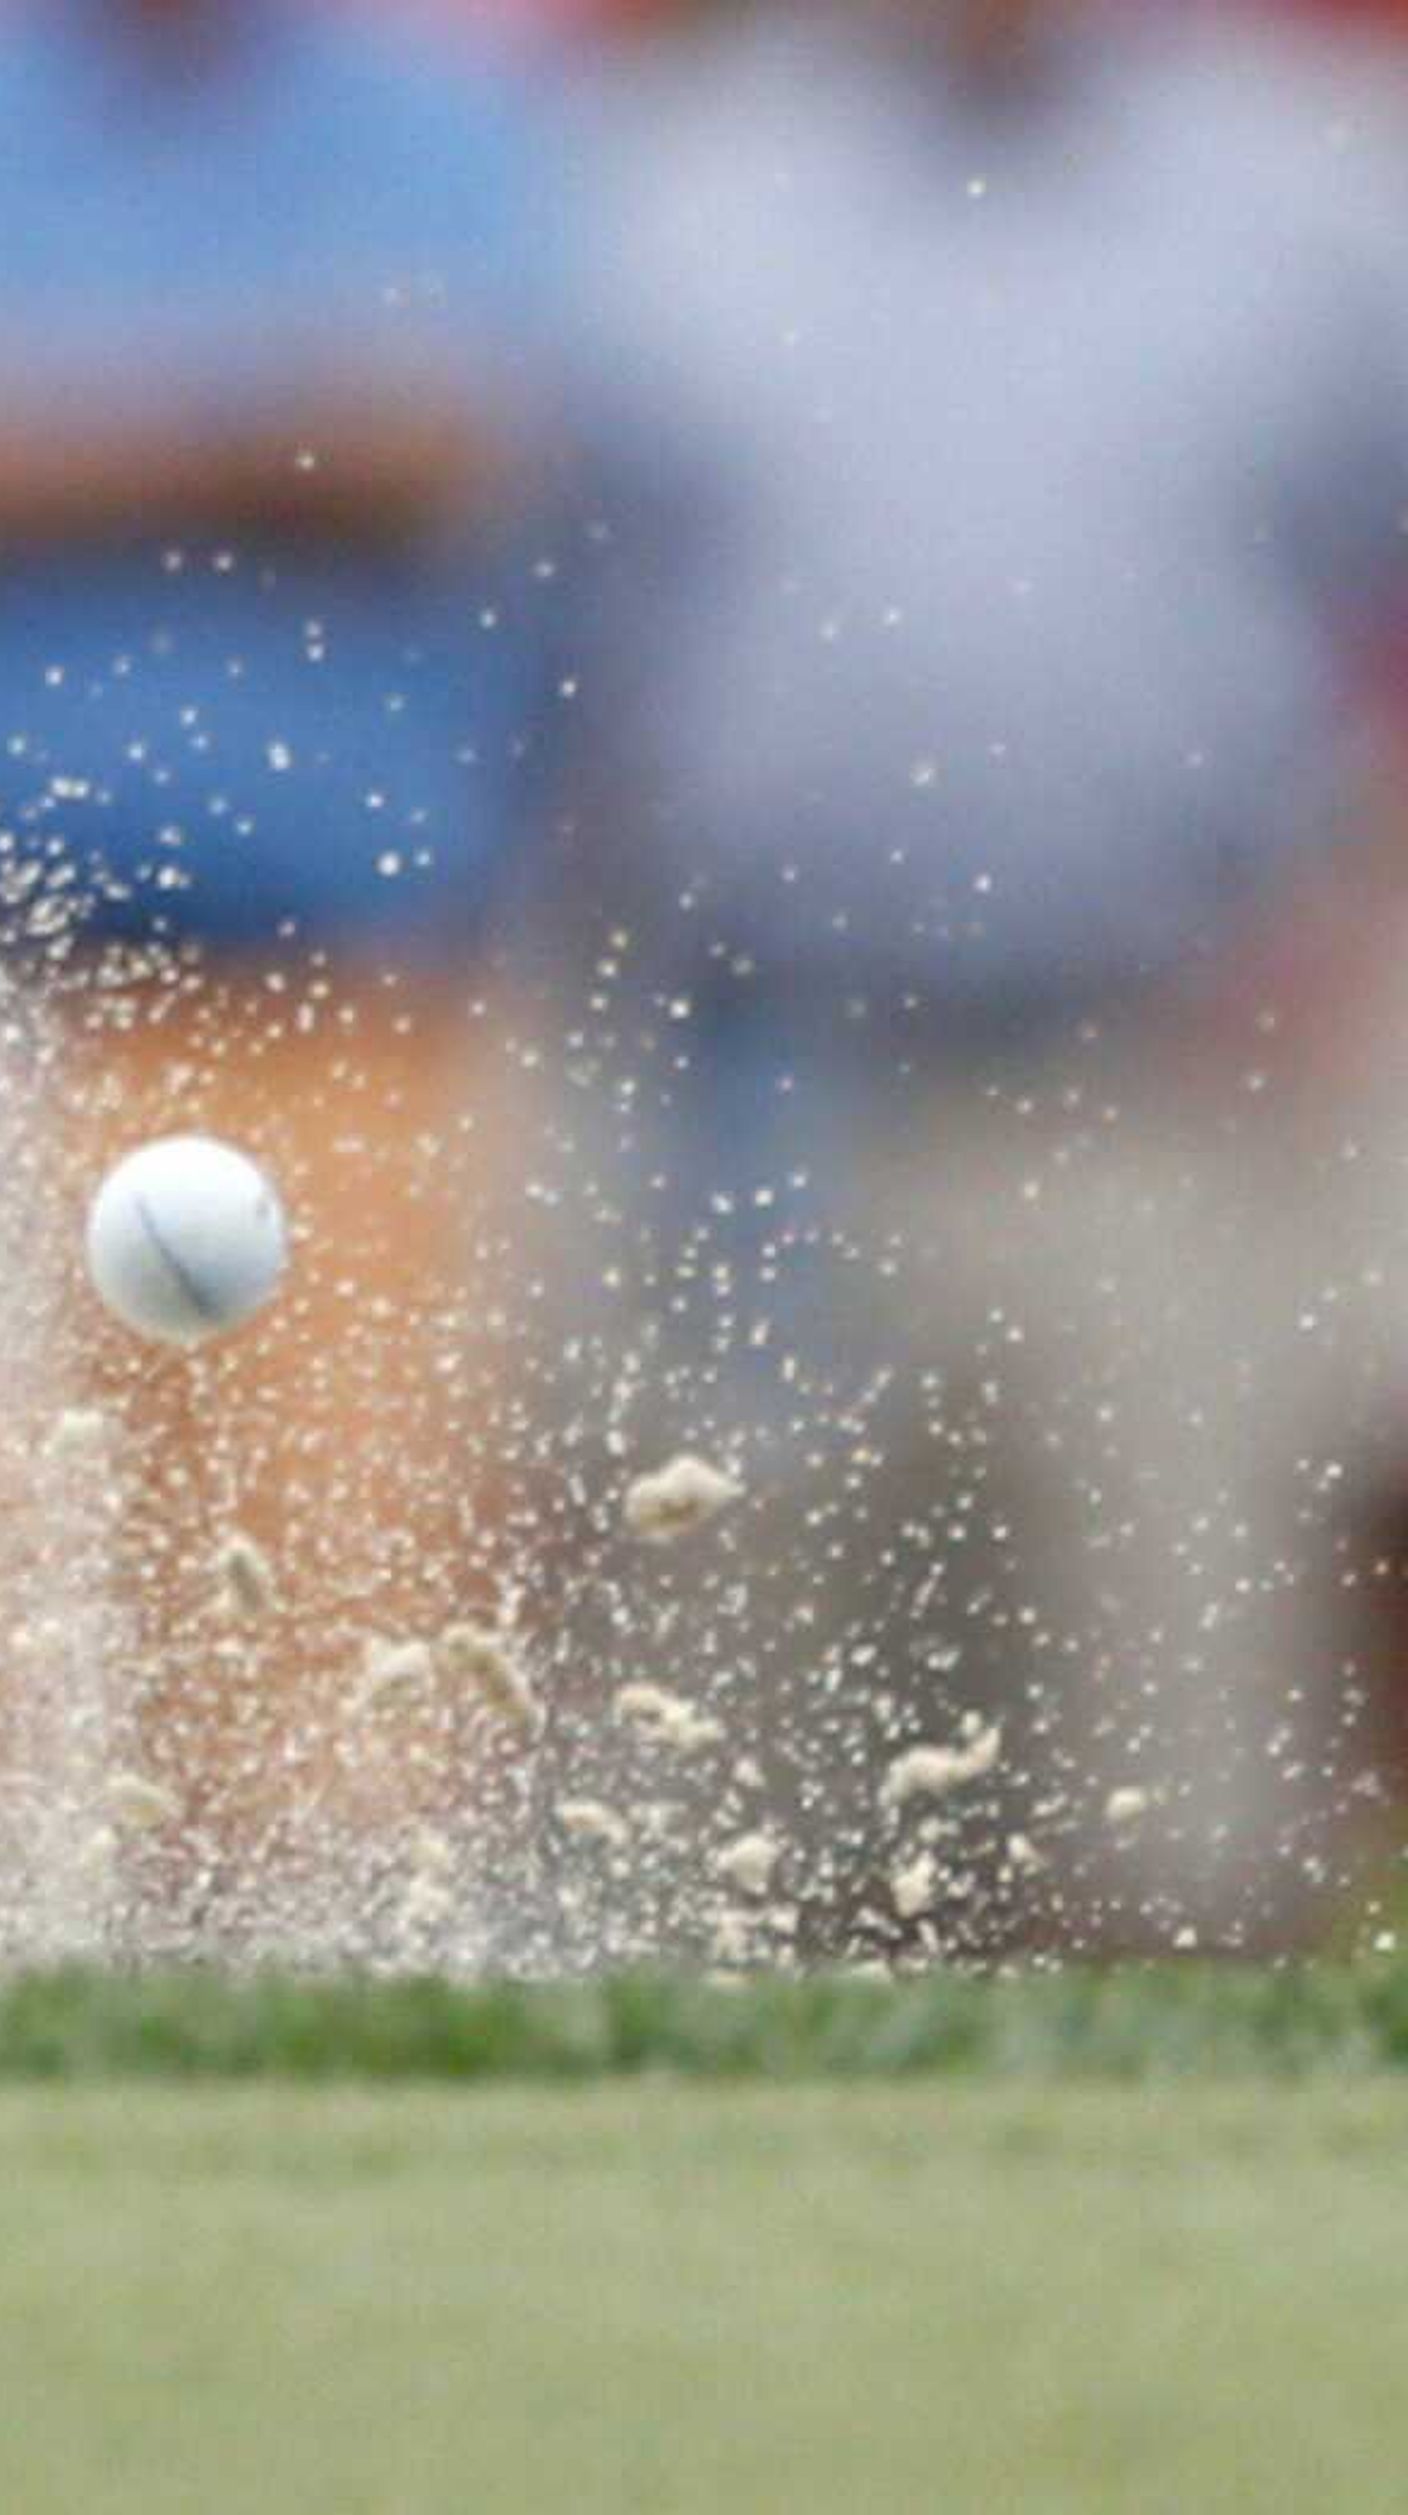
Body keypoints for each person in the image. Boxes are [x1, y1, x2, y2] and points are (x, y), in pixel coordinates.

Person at [0, 0, 562, 1958]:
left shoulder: (437, 114)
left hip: (331, 1020)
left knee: (332, 1755)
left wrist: (28, 443)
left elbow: (450, 448)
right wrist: (270, 432)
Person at [543, 0, 1408, 1952]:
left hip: (1166, 1097)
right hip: (754, 1108)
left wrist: (1359, 898)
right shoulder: (670, 186)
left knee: (1182, 1815)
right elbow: (543, 644)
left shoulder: (1308, 188)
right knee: (754, 1819)